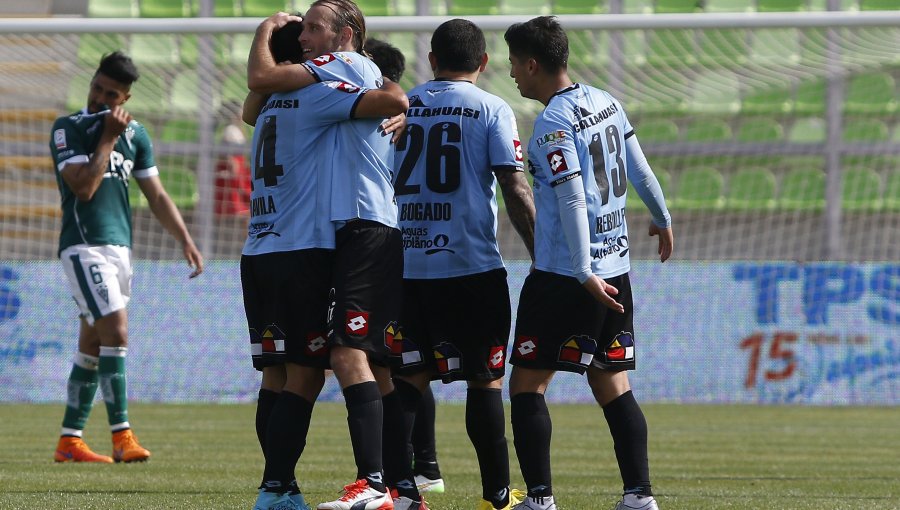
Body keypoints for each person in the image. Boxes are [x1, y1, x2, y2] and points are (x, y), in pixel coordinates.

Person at [503, 16, 674, 510]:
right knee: (611, 379)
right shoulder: (605, 101)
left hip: (567, 275)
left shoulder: (554, 122)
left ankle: (540, 499)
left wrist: (581, 271)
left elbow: (574, 198)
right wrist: (661, 216)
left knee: (526, 384)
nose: (513, 73)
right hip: (616, 268)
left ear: (532, 63)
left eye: (515, 63)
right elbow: (639, 165)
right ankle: (639, 497)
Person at [244, 4, 410, 510]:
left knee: (288, 371)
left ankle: (282, 489)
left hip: (264, 246)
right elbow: (392, 97)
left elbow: (252, 100)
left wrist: (269, 33)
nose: (306, 39)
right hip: (305, 245)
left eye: (315, 29)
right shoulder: (315, 92)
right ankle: (382, 485)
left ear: (347, 39)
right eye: (302, 32)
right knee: (313, 371)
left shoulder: (282, 94)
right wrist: (398, 102)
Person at [388, 18, 536, 510]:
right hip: (472, 266)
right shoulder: (492, 108)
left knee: (407, 380)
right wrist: (544, 255)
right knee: (485, 381)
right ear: (485, 62)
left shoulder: (400, 105)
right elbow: (515, 189)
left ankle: (403, 491)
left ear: (432, 60)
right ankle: (497, 493)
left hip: (408, 267)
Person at [49, 51, 204, 464]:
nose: (100, 97)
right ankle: (122, 436)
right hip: (83, 247)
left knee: (93, 345)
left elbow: (156, 194)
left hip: (121, 250)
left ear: (126, 98)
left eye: (110, 93)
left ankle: (70, 441)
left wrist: (185, 239)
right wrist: (105, 138)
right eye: (97, 88)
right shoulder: (69, 128)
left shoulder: (137, 134)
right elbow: (83, 188)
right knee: (116, 331)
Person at [364, 36, 446, 497]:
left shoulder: (392, 116)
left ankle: (406, 470)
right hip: (407, 249)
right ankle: (423, 465)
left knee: (399, 367)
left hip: (393, 250)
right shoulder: (396, 113)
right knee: (407, 365)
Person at [214, 102, 252, 216]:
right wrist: (232, 163)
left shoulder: (236, 129)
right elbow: (226, 152)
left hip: (238, 167)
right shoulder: (230, 130)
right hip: (233, 168)